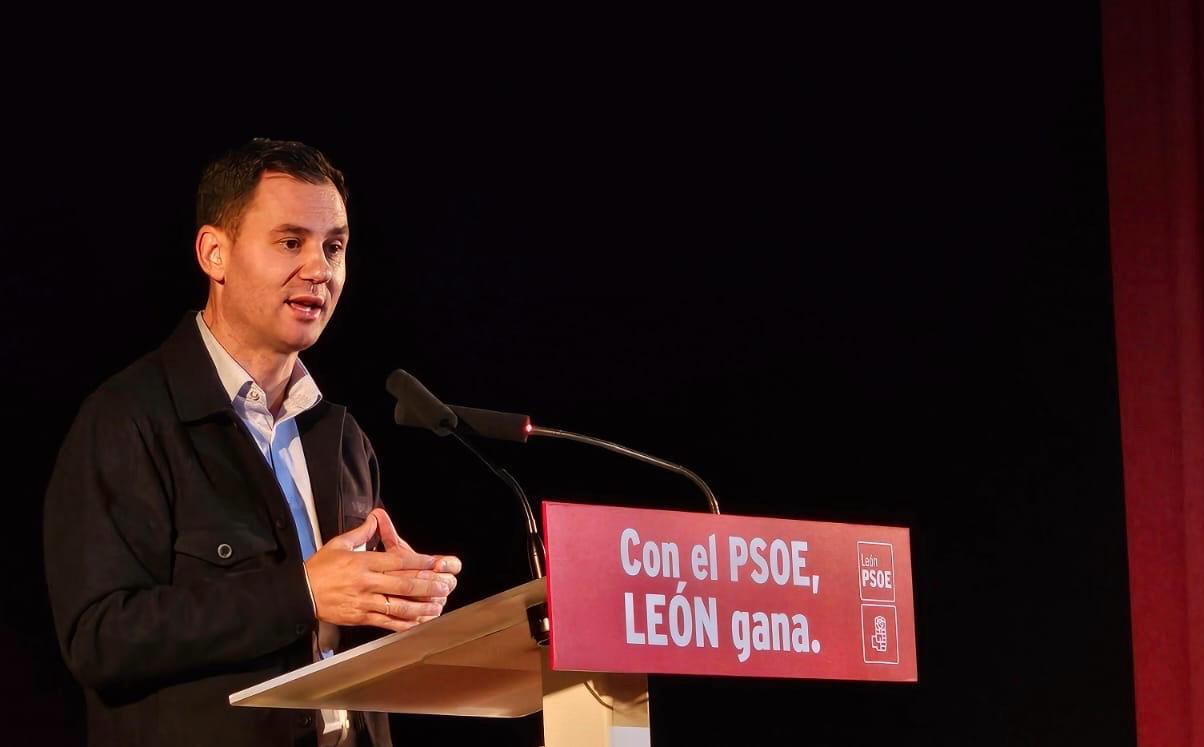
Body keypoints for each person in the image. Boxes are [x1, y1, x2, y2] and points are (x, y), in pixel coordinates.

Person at [43, 138, 460, 746]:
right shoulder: (128, 419)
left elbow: (332, 642)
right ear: (215, 252)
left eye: (334, 247)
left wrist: (395, 603)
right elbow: (100, 639)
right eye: (291, 242)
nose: (320, 269)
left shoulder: (339, 436)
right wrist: (305, 592)